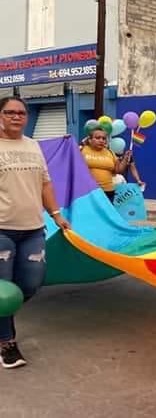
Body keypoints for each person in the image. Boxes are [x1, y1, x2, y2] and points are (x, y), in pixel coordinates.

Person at [0, 96, 70, 369]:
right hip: (2, 230)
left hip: (33, 230)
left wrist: (56, 215)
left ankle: (4, 315)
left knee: (30, 283)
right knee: (3, 289)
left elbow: (45, 184)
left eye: (21, 113)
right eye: (9, 112)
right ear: (0, 115)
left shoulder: (33, 145)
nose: (16, 117)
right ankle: (7, 343)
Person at [80, 127, 125, 202]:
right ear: (90, 140)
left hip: (108, 192)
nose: (101, 140)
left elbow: (118, 171)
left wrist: (125, 159)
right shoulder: (82, 150)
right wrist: (66, 140)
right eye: (98, 138)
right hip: (88, 192)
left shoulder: (110, 152)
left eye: (104, 138)